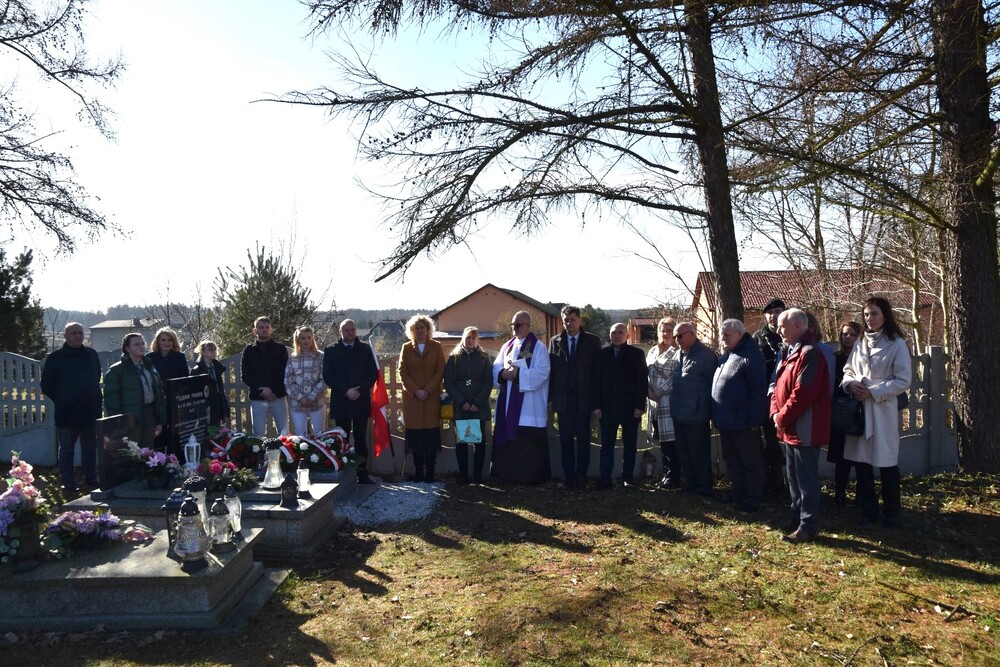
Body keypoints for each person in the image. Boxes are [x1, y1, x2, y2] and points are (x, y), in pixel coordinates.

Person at [841, 297, 912, 528]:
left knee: (887, 463)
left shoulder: (896, 343)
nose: (869, 318)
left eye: (874, 314)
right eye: (866, 314)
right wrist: (851, 385)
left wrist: (872, 391)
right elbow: (848, 370)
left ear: (885, 316)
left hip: (882, 411)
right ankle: (868, 510)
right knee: (862, 465)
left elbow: (903, 380)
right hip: (860, 412)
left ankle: (892, 512)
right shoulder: (860, 343)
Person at [770, 308, 831, 544]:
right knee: (793, 477)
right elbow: (777, 387)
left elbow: (803, 393)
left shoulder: (809, 353)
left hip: (805, 426)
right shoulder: (790, 352)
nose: (778, 330)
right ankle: (796, 517)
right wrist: (776, 412)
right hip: (789, 426)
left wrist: (781, 417)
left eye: (782, 326)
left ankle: (808, 525)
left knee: (806, 479)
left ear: (797, 326)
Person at [711, 319, 768, 513]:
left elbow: (759, 390)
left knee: (750, 462)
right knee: (733, 461)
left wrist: (755, 420)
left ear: (739, 335)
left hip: (744, 423)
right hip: (726, 421)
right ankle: (738, 495)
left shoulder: (751, 356)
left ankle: (753, 499)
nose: (723, 338)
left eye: (727, 335)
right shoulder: (729, 355)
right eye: (722, 334)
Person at [40, 322, 102, 492]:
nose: (77, 336)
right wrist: (63, 399)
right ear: (66, 336)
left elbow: (96, 376)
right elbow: (46, 385)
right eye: (73, 333)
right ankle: (68, 482)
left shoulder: (91, 354)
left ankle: (90, 478)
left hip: (89, 411)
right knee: (67, 449)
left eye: (80, 333)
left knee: (90, 448)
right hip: (67, 412)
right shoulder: (56, 358)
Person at [493, 310, 552, 484]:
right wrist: (502, 373)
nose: (514, 328)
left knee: (528, 447)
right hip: (508, 405)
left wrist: (519, 375)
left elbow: (543, 372)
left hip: (529, 409)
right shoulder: (507, 346)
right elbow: (495, 366)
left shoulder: (538, 347)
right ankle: (507, 476)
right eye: (513, 325)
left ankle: (531, 478)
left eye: (518, 325)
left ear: (528, 326)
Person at [548, 305, 601, 488]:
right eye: (566, 321)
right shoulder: (555, 341)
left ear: (579, 320)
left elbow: (597, 373)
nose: (569, 324)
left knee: (583, 439)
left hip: (584, 399)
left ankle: (581, 476)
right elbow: (552, 372)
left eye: (572, 320)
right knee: (565, 439)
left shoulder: (592, 341)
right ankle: (569, 475)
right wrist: (551, 398)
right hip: (563, 400)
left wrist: (596, 400)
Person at [592, 323, 648, 489]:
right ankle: (605, 478)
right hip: (607, 408)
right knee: (607, 445)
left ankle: (627, 478)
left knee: (630, 445)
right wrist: (597, 406)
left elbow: (642, 381)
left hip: (630, 408)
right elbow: (595, 382)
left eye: (620, 332)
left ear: (627, 335)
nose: (617, 335)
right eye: (614, 333)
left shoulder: (636, 354)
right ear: (610, 335)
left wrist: (639, 406)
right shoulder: (601, 355)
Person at [323, 319, 378, 484]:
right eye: (346, 330)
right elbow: (328, 375)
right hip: (342, 401)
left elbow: (372, 373)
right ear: (340, 332)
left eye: (352, 330)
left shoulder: (365, 349)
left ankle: (362, 474)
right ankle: (344, 475)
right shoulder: (331, 351)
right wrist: (346, 390)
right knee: (342, 439)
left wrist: (359, 391)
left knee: (361, 439)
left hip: (360, 400)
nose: (350, 333)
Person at [670, 322, 718, 497]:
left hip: (697, 415)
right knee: (684, 453)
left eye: (679, 336)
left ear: (692, 334)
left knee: (699, 454)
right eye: (675, 337)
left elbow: (714, 385)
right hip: (679, 413)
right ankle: (691, 485)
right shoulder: (678, 354)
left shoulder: (706, 356)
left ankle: (704, 488)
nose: (677, 339)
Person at [398, 315, 446, 483]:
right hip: (413, 400)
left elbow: (440, 371)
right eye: (416, 328)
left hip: (431, 398)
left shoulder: (436, 346)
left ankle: (430, 474)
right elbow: (403, 372)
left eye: (422, 328)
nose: (420, 331)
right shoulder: (406, 348)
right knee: (416, 437)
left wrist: (427, 389)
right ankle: (418, 473)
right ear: (412, 331)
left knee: (430, 436)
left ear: (428, 330)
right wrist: (416, 390)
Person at [444, 326, 493, 484]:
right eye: (468, 338)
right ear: (463, 339)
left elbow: (488, 382)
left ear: (477, 340)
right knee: (462, 442)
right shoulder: (454, 358)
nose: (470, 341)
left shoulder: (484, 357)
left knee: (479, 442)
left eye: (473, 338)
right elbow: (449, 383)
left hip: (478, 406)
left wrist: (477, 403)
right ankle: (464, 476)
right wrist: (462, 402)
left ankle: (477, 476)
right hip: (461, 406)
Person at [104, 333, 167, 448]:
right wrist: (119, 423)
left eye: (143, 343)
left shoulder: (149, 366)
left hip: (149, 415)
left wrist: (160, 419)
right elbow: (111, 399)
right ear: (127, 348)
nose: (141, 346)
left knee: (147, 452)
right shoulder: (117, 371)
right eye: (136, 344)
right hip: (130, 418)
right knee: (132, 453)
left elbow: (159, 393)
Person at [827, 321, 862, 505]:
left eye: (852, 334)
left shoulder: (863, 358)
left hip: (858, 410)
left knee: (859, 454)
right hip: (840, 411)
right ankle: (839, 493)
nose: (848, 338)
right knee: (841, 456)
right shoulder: (836, 358)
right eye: (844, 334)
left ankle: (861, 495)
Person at [754, 297, 787, 494]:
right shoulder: (758, 337)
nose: (774, 316)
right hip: (766, 396)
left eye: (778, 311)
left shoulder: (789, 335)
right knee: (769, 440)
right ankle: (773, 479)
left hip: (788, 395)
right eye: (770, 312)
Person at [241, 316, 289, 438]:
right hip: (258, 398)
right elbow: (246, 375)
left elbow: (284, 372)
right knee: (259, 435)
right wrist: (262, 390)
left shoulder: (280, 349)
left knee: (284, 434)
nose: (264, 329)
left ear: (271, 329)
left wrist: (271, 390)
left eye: (267, 327)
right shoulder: (248, 351)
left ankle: (285, 456)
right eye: (261, 327)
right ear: (255, 331)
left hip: (278, 397)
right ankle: (261, 457)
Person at [646, 317, 680, 488]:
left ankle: (673, 476)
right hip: (653, 402)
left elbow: (676, 376)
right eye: (662, 330)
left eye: (668, 330)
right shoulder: (652, 351)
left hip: (668, 400)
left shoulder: (678, 352)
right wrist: (648, 391)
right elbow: (646, 373)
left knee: (671, 441)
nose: (665, 334)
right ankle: (667, 473)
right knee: (661, 440)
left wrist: (659, 392)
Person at [146, 326, 189, 450]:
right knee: (158, 433)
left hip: (175, 400)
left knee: (175, 432)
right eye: (163, 340)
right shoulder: (150, 357)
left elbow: (185, 379)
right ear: (158, 342)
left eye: (169, 340)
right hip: (156, 401)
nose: (166, 343)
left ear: (174, 342)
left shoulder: (180, 357)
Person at [285, 325, 327, 436]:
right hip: (297, 404)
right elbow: (288, 381)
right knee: (300, 436)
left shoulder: (321, 356)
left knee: (320, 434)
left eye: (309, 338)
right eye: (303, 338)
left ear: (312, 339)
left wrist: (312, 397)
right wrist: (301, 398)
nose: (306, 341)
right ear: (297, 339)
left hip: (317, 403)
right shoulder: (292, 358)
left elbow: (324, 379)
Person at [191, 340, 230, 427]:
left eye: (215, 350)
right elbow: (195, 393)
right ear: (203, 352)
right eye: (210, 350)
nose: (213, 352)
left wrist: (225, 410)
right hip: (205, 409)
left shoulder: (217, 368)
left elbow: (220, 391)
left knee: (216, 434)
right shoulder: (197, 370)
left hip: (217, 407)